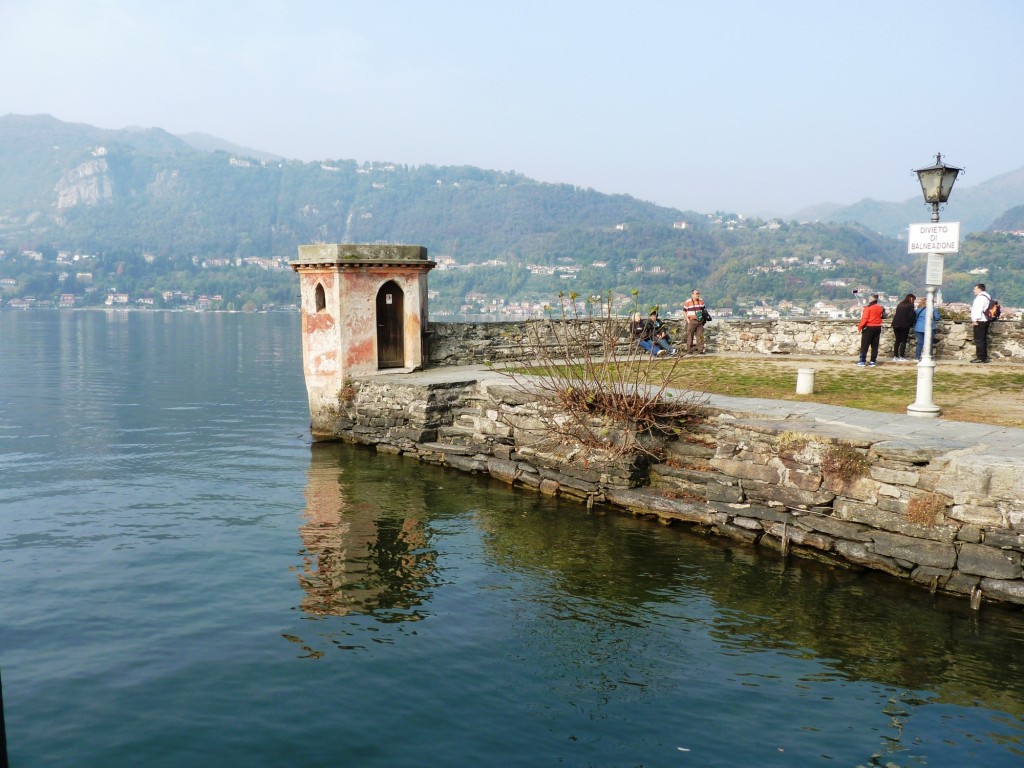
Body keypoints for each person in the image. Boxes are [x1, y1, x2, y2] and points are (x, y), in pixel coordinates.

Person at [856, 293, 885, 366]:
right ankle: (873, 361)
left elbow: (865, 319)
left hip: (869, 327)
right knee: (875, 345)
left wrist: (860, 327)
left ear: (871, 299)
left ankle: (862, 361)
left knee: (864, 345)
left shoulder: (868, 308)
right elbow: (883, 316)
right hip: (878, 327)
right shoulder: (880, 307)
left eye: (869, 298)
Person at [970, 283, 992, 363]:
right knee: (982, 339)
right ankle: (984, 357)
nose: (973, 291)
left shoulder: (980, 298)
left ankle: (980, 357)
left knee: (979, 340)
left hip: (980, 320)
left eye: (975, 289)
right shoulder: (987, 296)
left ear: (979, 289)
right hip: (985, 320)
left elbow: (978, 309)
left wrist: (975, 320)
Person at [683, 289, 710, 354]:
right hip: (692, 321)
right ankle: (689, 350)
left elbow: (704, 310)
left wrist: (703, 319)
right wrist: (688, 320)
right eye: (696, 293)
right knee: (690, 336)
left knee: (700, 336)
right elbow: (684, 311)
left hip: (700, 321)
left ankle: (700, 350)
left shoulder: (701, 301)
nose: (698, 295)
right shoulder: (688, 302)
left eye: (698, 293)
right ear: (692, 294)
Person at [913, 296, 940, 361]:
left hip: (919, 328)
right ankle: (929, 357)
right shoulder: (933, 309)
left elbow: (915, 318)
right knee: (929, 343)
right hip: (930, 328)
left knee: (919, 343)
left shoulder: (918, 309)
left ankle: (917, 357)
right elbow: (937, 318)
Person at [890, 293, 916, 361]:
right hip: (904, 325)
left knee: (897, 340)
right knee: (903, 341)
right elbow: (911, 316)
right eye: (914, 300)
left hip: (895, 324)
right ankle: (901, 356)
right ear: (911, 299)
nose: (914, 301)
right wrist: (911, 323)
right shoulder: (910, 305)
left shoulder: (900, 304)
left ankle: (895, 356)